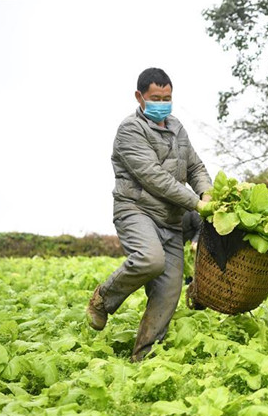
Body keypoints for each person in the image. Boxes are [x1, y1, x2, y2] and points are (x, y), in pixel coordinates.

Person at [86, 68, 212, 362]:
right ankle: (103, 298)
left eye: (167, 98)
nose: (162, 104)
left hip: (171, 219)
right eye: (156, 98)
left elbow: (195, 166)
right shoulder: (130, 130)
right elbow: (155, 178)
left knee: (168, 292)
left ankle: (143, 358)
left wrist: (207, 192)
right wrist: (196, 204)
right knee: (150, 259)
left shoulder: (177, 127)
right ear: (139, 97)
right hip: (136, 210)